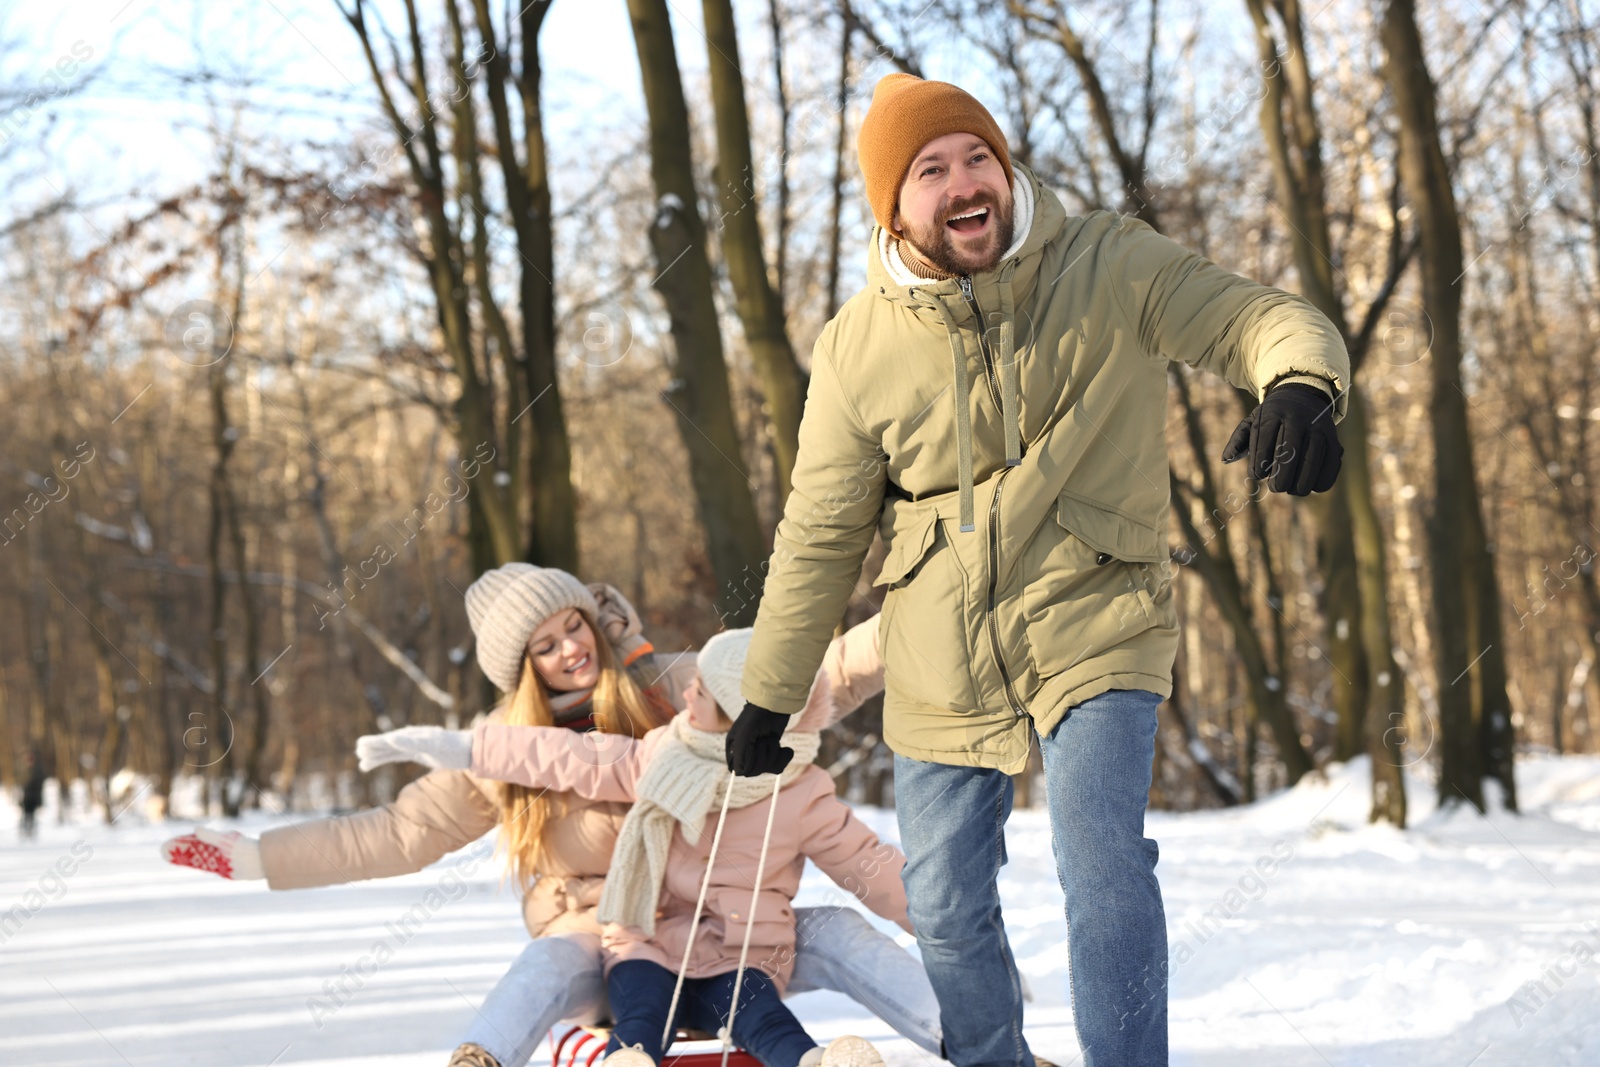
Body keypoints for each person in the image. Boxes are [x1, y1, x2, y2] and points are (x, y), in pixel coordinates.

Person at [722, 75, 1351, 1067]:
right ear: (894, 206)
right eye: (931, 170)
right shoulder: (856, 345)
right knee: (940, 900)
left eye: (979, 157)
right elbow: (822, 531)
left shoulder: (1106, 261)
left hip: (1097, 607)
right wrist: (770, 689)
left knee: (1101, 868)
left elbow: (1250, 317)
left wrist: (1302, 385)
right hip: (939, 641)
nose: (965, 182)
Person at [161, 565, 940, 1067]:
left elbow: (816, 673)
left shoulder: (668, 689)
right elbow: (394, 836)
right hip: (608, 942)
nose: (571, 648)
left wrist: (913, 623)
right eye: (546, 643)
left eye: (574, 625)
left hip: (731, 931)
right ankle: (481, 1058)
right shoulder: (510, 755)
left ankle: (979, 1040)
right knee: (545, 962)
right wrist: (259, 857)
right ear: (521, 667)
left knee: (837, 931)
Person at [360, 627, 908, 1067]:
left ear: (737, 723)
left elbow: (872, 868)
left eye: (701, 692)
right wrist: (459, 747)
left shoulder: (796, 786)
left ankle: (818, 1060)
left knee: (762, 1018)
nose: (685, 692)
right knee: (641, 1012)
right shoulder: (658, 756)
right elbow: (560, 756)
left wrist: (949, 923)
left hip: (737, 955)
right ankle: (622, 1058)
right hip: (645, 943)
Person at [20, 750, 45, 839]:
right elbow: (21, 786)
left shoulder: (37, 771)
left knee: (33, 816)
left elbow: (40, 786)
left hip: (34, 797)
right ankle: (25, 832)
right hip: (26, 797)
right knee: (25, 815)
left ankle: (32, 832)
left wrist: (40, 799)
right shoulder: (23, 771)